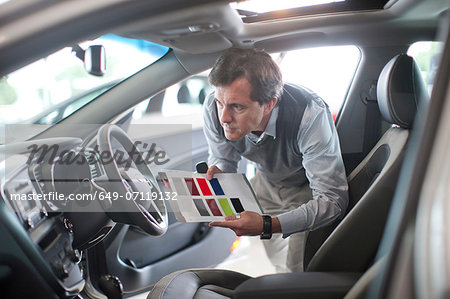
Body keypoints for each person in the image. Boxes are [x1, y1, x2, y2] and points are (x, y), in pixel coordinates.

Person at [203, 48, 348, 273]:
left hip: (306, 191)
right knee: (278, 261)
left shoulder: (309, 114)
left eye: (237, 107)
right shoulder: (215, 107)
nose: (224, 117)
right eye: (220, 103)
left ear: (269, 104)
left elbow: (332, 200)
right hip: (265, 184)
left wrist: (268, 224)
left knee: (297, 269)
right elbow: (223, 157)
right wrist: (220, 171)